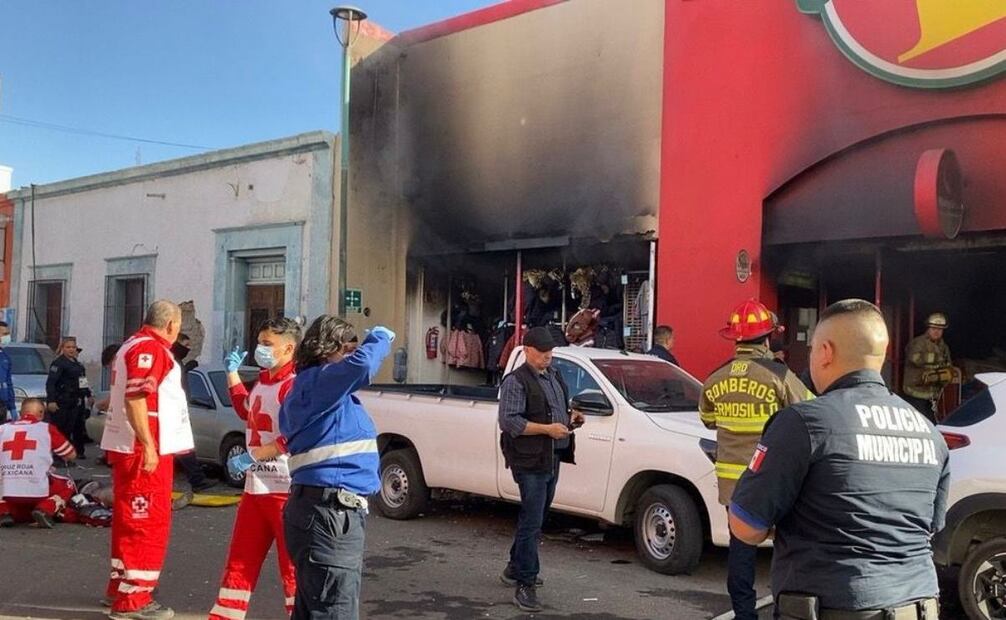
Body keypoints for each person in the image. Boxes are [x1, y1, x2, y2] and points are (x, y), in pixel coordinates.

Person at [729, 299, 949, 619]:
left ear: (826, 352)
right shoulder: (929, 432)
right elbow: (926, 529)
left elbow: (745, 527)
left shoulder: (804, 422)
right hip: (918, 605)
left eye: (813, 349)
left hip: (833, 606)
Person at [699, 299, 812, 620]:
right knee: (787, 546)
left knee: (741, 550)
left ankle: (744, 614)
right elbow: (809, 411)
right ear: (766, 339)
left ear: (735, 339)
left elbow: (708, 419)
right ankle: (786, 609)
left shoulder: (715, 377)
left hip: (733, 483)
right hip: (772, 479)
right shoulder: (778, 374)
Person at [279, 317, 394, 620]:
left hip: (316, 512)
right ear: (328, 349)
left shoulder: (313, 390)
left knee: (313, 609)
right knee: (334, 611)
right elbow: (362, 366)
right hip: (330, 516)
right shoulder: (321, 382)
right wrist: (380, 336)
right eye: (348, 350)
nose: (351, 357)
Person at [100, 300, 194, 620]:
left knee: (130, 520)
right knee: (147, 523)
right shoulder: (151, 349)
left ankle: (122, 585)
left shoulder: (131, 344)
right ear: (171, 325)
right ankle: (134, 599)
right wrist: (149, 444)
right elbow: (137, 396)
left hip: (131, 446)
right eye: (180, 326)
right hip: (143, 449)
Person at [209, 318, 302, 620]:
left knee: (292, 568)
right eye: (259, 342)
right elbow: (245, 409)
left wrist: (255, 456)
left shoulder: (294, 385)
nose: (260, 349)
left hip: (284, 491)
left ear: (289, 348)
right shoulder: (264, 381)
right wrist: (232, 373)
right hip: (256, 489)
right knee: (240, 561)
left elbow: (296, 435)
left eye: (267, 344)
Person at [498, 326, 585, 613]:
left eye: (551, 352)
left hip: (552, 457)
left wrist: (571, 416)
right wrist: (547, 429)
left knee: (536, 517)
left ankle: (515, 566)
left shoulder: (555, 375)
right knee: (532, 520)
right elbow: (510, 422)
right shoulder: (516, 381)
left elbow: (556, 406)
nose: (549, 357)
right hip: (529, 460)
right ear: (528, 350)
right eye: (544, 353)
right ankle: (526, 582)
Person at [0, 398, 77, 528]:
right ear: (41, 414)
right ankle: (45, 509)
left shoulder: (2, 429)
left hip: (7, 491)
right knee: (68, 484)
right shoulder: (47, 429)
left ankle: (3, 511)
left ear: (20, 413)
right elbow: (71, 455)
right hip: (37, 492)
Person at [169, 333, 213, 499]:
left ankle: (197, 479)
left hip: (180, 408)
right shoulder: (171, 360)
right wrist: (185, 369)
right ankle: (197, 480)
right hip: (173, 410)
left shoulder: (177, 361)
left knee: (182, 447)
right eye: (185, 345)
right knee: (182, 447)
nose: (187, 349)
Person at [46, 336, 93, 458]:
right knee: (63, 428)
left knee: (78, 427)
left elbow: (83, 381)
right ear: (63, 348)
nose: (71, 350)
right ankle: (60, 455)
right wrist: (51, 401)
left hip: (77, 400)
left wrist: (88, 395)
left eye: (73, 347)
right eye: (68, 347)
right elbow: (51, 383)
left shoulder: (77, 364)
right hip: (63, 401)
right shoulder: (59, 363)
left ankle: (78, 452)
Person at [902, 312, 953, 423]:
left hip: (933, 394)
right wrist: (935, 358)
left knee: (932, 423)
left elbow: (948, 365)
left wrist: (945, 375)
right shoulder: (918, 343)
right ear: (928, 328)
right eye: (934, 328)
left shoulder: (944, 347)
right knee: (917, 423)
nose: (936, 331)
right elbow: (914, 359)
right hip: (915, 393)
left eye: (940, 329)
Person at [0, 321, 16, 422]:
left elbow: (8, 383)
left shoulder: (5, 356)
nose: (7, 337)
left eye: (8, 334)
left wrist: (12, 406)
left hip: (2, 404)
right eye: (5, 334)